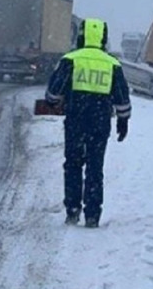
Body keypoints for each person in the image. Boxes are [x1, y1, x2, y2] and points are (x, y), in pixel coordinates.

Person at [45, 18, 131, 228]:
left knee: (73, 164)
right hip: (100, 124)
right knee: (95, 167)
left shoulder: (70, 60)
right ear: (103, 39)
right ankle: (92, 215)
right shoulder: (112, 64)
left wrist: (54, 102)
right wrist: (123, 121)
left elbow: (53, 93)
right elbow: (122, 96)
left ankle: (73, 211)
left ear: (81, 36)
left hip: (76, 120)